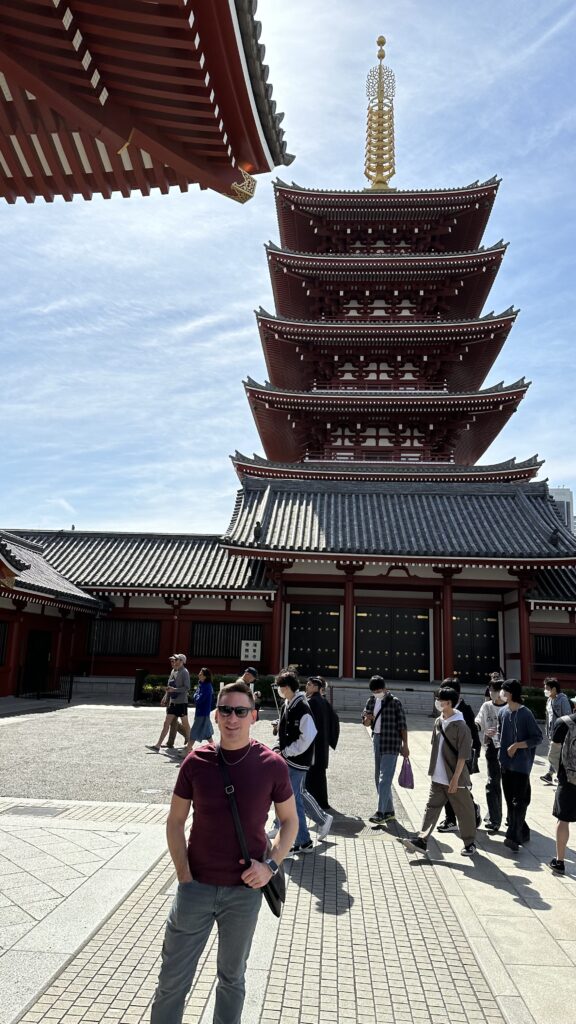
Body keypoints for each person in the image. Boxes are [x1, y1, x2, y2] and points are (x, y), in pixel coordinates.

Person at [150, 681, 298, 1024]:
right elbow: (175, 821)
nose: (233, 718)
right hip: (196, 887)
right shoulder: (196, 762)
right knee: (172, 979)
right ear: (216, 716)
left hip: (244, 892)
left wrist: (271, 866)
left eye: (241, 711)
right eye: (227, 710)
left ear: (254, 717)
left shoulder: (272, 765)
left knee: (232, 979)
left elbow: (289, 822)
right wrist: (183, 875)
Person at [402, 685, 477, 857]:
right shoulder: (439, 721)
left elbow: (463, 756)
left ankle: (469, 842)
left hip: (455, 777)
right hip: (438, 776)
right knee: (431, 808)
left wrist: (456, 778)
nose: (437, 702)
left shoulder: (461, 726)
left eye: (440, 700)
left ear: (449, 703)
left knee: (464, 811)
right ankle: (421, 839)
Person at [274, 670, 333, 853]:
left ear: (286, 688)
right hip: (289, 758)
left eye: (279, 687)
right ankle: (310, 831)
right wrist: (279, 747)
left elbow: (307, 737)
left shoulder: (302, 707)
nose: (278, 690)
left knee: (294, 799)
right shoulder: (289, 704)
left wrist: (287, 751)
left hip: (297, 760)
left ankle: (303, 840)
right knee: (296, 796)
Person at [497, 679, 543, 852]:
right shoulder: (502, 712)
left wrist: (517, 745)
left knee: (519, 801)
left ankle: (513, 837)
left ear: (511, 693)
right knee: (510, 801)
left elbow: (537, 737)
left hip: (522, 765)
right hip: (505, 763)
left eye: (504, 691)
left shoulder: (526, 714)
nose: (501, 693)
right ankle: (522, 830)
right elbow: (500, 732)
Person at [361, 675, 409, 826]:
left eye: (379, 689)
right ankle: (389, 812)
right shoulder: (371, 700)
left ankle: (380, 812)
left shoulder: (395, 702)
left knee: (384, 779)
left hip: (392, 741)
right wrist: (368, 718)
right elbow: (366, 723)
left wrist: (405, 745)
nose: (377, 692)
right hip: (377, 740)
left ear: (385, 688)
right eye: (374, 690)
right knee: (378, 777)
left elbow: (402, 725)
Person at [437, 678, 481, 833]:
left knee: (459, 788)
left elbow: (473, 734)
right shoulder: (444, 712)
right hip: (446, 757)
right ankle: (450, 819)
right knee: (447, 787)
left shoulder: (465, 709)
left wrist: (473, 755)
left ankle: (472, 808)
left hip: (462, 757)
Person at [548, 694, 576, 875]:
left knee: (563, 819)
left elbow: (553, 753)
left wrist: (559, 772)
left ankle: (560, 861)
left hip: (568, 778)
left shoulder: (563, 723)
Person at [475, 680, 506, 832]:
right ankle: (495, 818)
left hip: (508, 749)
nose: (490, 693)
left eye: (492, 690)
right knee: (492, 782)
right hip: (492, 748)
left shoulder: (509, 707)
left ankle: (512, 818)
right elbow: (479, 721)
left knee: (508, 785)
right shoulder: (486, 706)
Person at [149, 654, 191, 752]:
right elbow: (169, 686)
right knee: (166, 723)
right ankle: (157, 745)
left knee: (186, 724)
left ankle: (189, 745)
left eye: (176, 659)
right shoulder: (173, 671)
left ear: (181, 661)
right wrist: (166, 696)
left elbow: (187, 687)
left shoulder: (185, 672)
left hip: (181, 703)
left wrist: (174, 690)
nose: (174, 661)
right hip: (173, 702)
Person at [304, 676, 334, 810]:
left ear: (316, 687)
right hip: (323, 743)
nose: (307, 686)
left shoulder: (310, 702)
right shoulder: (324, 701)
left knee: (310, 774)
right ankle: (322, 802)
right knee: (320, 775)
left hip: (313, 743)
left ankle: (311, 804)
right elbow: (335, 721)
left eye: (309, 684)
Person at [540, 677, 572, 784]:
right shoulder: (549, 700)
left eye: (547, 688)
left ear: (554, 689)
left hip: (562, 733)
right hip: (552, 733)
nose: (545, 690)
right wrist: (547, 730)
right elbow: (548, 717)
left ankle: (553, 774)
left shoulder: (563, 700)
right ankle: (553, 775)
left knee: (560, 754)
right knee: (554, 753)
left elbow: (567, 717)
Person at [187, 667, 215, 750]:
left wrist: (195, 697)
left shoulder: (207, 687)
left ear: (205, 676)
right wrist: (196, 696)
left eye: (200, 674)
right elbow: (196, 695)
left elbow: (199, 699)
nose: (198, 675)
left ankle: (187, 750)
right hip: (201, 712)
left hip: (203, 712)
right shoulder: (201, 684)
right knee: (207, 734)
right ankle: (215, 748)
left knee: (194, 731)